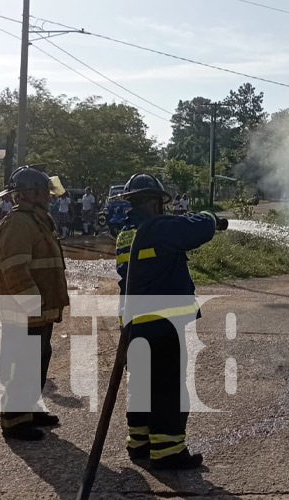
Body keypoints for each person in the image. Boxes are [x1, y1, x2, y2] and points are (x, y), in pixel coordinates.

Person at [115, 173, 227, 469]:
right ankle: (168, 452)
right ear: (155, 202)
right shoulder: (157, 228)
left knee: (140, 383)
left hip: (135, 321)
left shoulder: (127, 231)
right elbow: (198, 230)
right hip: (163, 323)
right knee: (167, 385)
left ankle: (139, 442)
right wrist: (208, 216)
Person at [0, 166, 69, 441]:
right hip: (25, 312)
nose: (49, 197)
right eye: (43, 193)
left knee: (37, 359)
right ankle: (14, 419)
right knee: (22, 363)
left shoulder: (37, 220)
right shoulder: (18, 223)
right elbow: (15, 269)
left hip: (38, 311)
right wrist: (31, 306)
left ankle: (28, 408)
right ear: (28, 194)